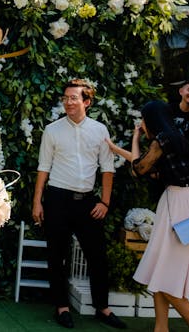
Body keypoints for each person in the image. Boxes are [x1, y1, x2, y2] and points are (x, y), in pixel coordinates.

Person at [32, 79, 127, 330]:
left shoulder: (99, 130)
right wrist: (37, 202)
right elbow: (44, 167)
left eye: (73, 98)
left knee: (98, 257)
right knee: (56, 255)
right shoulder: (52, 130)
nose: (68, 102)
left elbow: (108, 169)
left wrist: (105, 202)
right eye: (65, 98)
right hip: (57, 200)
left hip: (88, 202)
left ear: (87, 102)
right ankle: (61, 307)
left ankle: (103, 308)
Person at [107, 101, 189, 332]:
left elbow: (138, 169)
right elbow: (141, 163)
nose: (142, 124)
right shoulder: (175, 138)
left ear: (151, 119)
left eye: (143, 119)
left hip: (177, 206)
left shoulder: (163, 140)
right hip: (187, 204)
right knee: (161, 272)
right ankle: (160, 328)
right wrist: (126, 143)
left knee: (168, 276)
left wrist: (133, 140)